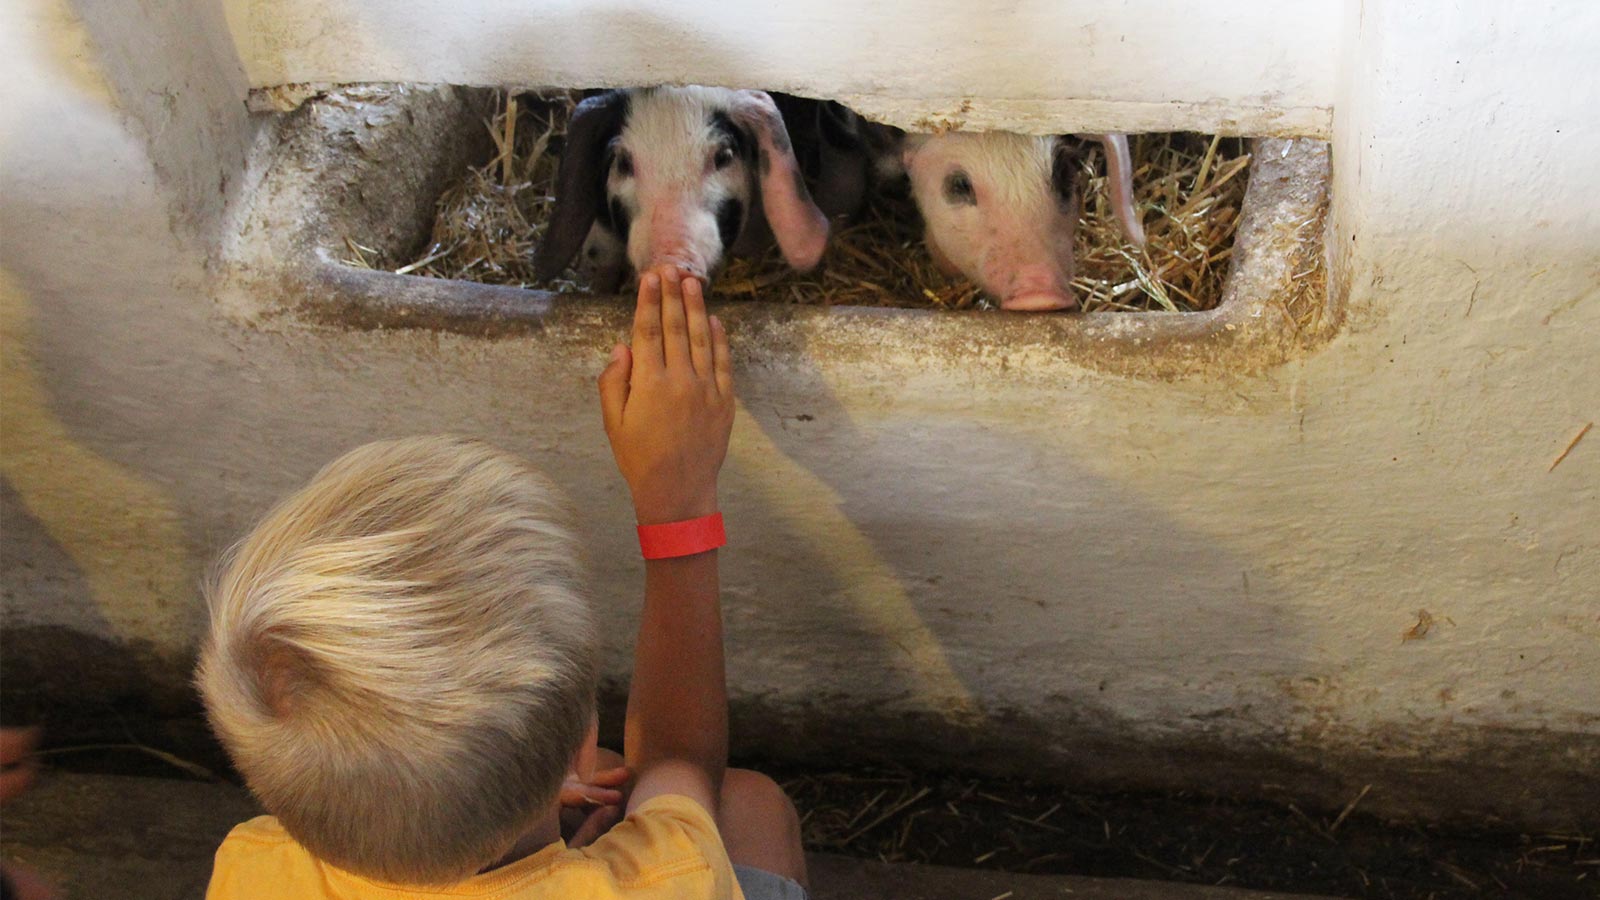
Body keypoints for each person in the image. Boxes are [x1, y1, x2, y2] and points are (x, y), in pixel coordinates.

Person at [198, 268, 807, 899]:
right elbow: (679, 765)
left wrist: (531, 790)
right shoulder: (668, 882)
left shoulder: (248, 867)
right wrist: (677, 503)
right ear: (577, 744)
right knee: (751, 808)